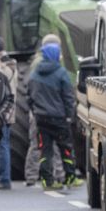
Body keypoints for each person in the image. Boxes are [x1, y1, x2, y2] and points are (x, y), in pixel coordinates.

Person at [28, 42, 82, 190]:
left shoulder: (34, 74)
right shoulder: (61, 73)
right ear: (54, 55)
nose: (60, 56)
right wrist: (69, 116)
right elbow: (68, 97)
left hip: (41, 119)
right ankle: (70, 178)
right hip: (59, 119)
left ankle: (47, 181)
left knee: (45, 150)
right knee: (65, 148)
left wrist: (36, 112)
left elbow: (29, 98)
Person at [24, 33, 65, 186]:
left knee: (37, 143)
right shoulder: (49, 62)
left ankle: (32, 175)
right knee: (49, 143)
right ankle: (56, 174)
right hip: (46, 110)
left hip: (38, 110)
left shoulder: (38, 62)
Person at [0, 36, 17, 190]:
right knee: (4, 144)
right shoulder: (11, 63)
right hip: (8, 111)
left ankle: (4, 179)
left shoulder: (3, 66)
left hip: (2, 112)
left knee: (2, 144)